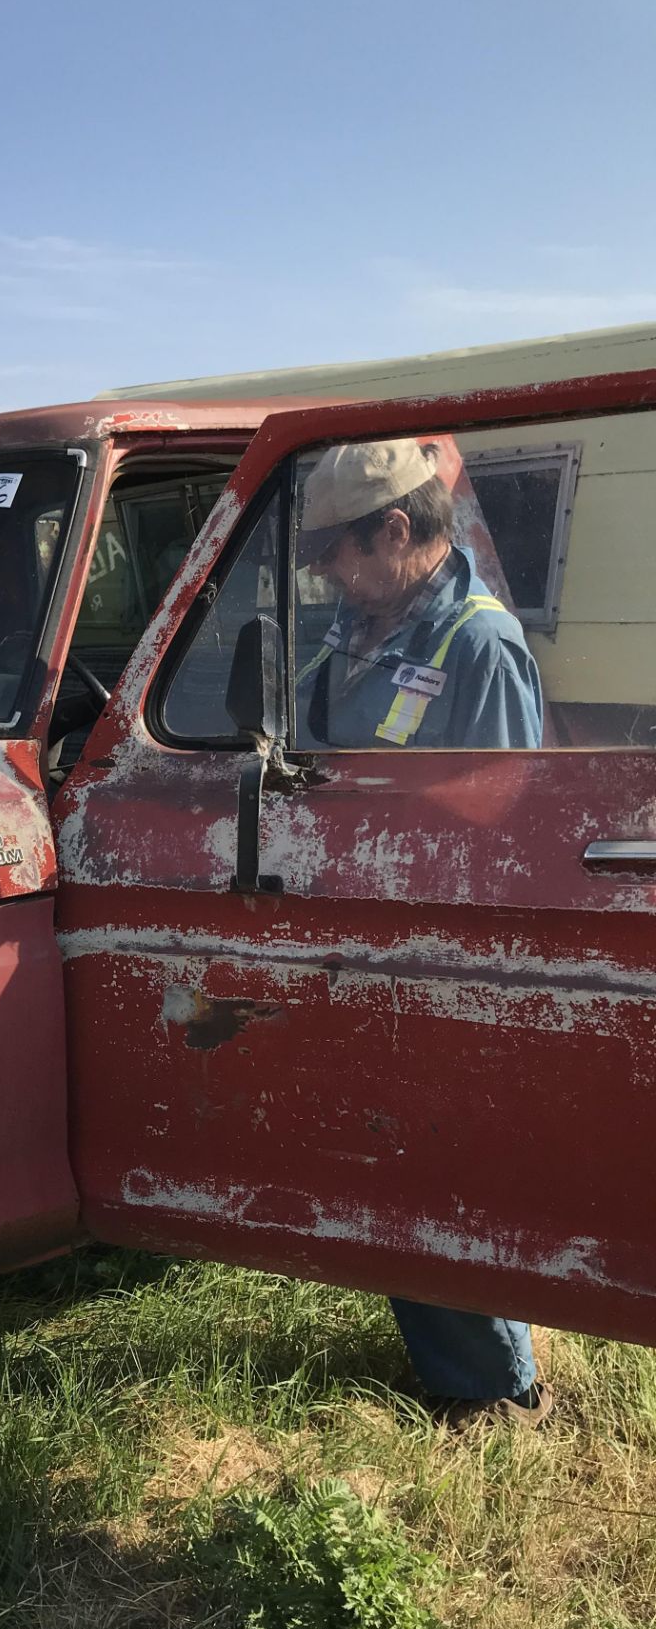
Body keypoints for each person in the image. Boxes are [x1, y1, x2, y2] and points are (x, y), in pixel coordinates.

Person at [296, 438, 553, 1427]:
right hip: (359, 935)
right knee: (387, 1155)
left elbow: (508, 831)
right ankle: (453, 1358)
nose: (326, 574)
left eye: (335, 553)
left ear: (395, 531)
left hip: (433, 952)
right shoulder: (358, 627)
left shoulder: (476, 646)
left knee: (443, 1167)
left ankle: (497, 1393)